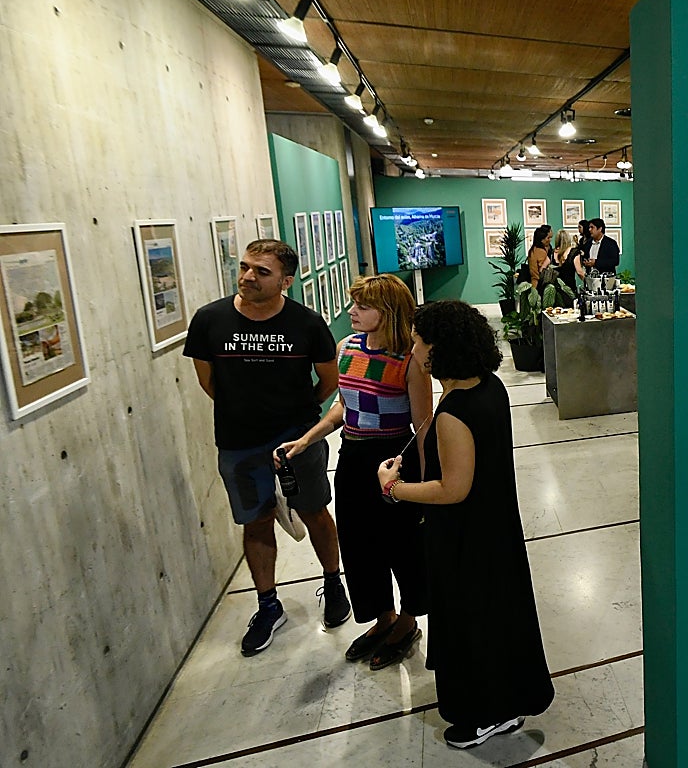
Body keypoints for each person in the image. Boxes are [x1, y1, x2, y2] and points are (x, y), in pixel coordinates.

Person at [377, 300, 553, 749]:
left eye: (417, 341)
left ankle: (482, 715)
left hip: (466, 535)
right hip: (495, 526)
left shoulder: (455, 413)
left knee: (471, 621)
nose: (412, 349)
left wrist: (393, 488)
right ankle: (508, 700)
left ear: (438, 348)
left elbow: (453, 488)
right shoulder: (490, 387)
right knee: (499, 615)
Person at [183, 239, 351, 656]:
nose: (247, 277)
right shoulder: (209, 320)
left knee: (314, 512)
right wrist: (247, 414)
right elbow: (209, 383)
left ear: (286, 280)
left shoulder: (307, 324)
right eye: (244, 267)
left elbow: (328, 383)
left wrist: (298, 414)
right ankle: (268, 604)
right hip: (238, 443)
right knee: (255, 523)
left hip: (297, 439)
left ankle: (333, 583)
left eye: (261, 271)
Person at [277, 274, 432, 670]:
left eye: (362, 307)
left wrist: (428, 484)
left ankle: (409, 620)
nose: (352, 312)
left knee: (402, 544)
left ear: (389, 311)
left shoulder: (410, 361)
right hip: (352, 458)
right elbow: (344, 408)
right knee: (359, 545)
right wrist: (307, 440)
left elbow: (423, 424)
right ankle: (383, 618)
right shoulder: (347, 348)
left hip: (393, 458)